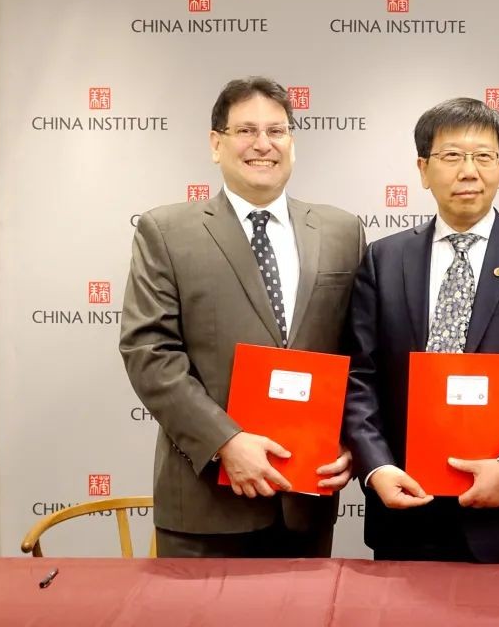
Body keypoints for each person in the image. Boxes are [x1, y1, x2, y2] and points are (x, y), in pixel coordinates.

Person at [119, 76, 365, 557]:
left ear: (292, 142)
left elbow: (361, 354)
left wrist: (353, 440)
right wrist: (226, 442)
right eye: (246, 131)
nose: (263, 144)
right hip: (205, 504)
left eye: (276, 131)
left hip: (306, 500)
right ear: (216, 143)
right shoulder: (166, 232)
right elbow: (149, 353)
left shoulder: (343, 232)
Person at [343, 97, 499, 563]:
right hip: (405, 510)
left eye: (484, 156)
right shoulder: (384, 259)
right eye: (452, 156)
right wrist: (376, 467)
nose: (468, 171)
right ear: (423, 169)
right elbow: (359, 376)